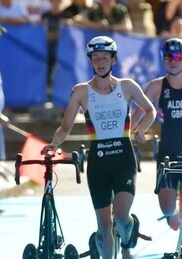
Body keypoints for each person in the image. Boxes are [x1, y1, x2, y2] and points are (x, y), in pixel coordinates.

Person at [41, 36, 157, 258]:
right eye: (96, 58)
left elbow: (150, 110)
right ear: (91, 61)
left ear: (113, 60)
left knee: (122, 217)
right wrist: (54, 144)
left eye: (105, 58)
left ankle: (129, 230)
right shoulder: (82, 91)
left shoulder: (127, 86)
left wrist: (140, 128)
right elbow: (65, 126)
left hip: (123, 158)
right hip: (98, 162)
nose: (100, 62)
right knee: (104, 226)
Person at [130, 38, 182, 230]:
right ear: (163, 59)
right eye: (168, 57)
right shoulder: (156, 86)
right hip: (166, 152)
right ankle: (176, 217)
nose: (173, 60)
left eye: (177, 56)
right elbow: (137, 116)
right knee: (168, 210)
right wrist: (133, 132)